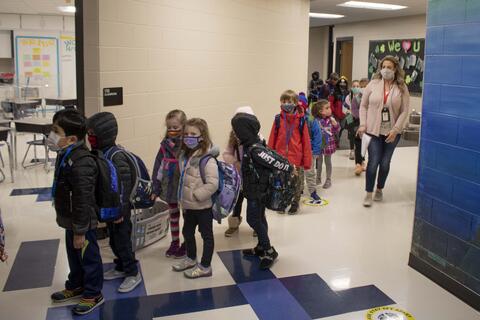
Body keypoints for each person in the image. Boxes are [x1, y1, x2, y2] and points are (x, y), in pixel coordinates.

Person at [48, 109, 103, 315]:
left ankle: (93, 293)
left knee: (88, 256)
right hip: (72, 218)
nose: (51, 135)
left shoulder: (82, 162)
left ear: (71, 139)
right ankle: (77, 283)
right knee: (74, 254)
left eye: (56, 131)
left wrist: (80, 230)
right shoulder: (67, 153)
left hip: (82, 221)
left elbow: (82, 199)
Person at [86, 112, 142, 293]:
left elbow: (123, 189)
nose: (89, 137)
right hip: (111, 210)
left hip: (120, 211)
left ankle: (133, 272)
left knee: (123, 242)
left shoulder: (116, 156)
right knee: (114, 242)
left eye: (93, 133)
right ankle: (120, 266)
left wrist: (119, 211)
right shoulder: (102, 153)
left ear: (104, 134)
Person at [231, 112, 292, 269]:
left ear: (244, 132)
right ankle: (260, 247)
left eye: (237, 131)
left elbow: (279, 163)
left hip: (258, 192)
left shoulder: (256, 150)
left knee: (253, 220)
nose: (235, 134)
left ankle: (269, 250)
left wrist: (291, 168)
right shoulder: (250, 146)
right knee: (259, 218)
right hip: (252, 190)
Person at [358, 55, 409, 207]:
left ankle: (379, 189)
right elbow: (363, 106)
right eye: (383, 67)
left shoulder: (402, 87)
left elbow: (404, 111)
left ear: (395, 70)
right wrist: (362, 124)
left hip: (392, 132)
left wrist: (396, 129)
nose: (386, 70)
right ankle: (368, 193)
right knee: (373, 162)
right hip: (373, 131)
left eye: (389, 67)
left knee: (385, 163)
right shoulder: (372, 84)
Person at [173, 118, 219, 279]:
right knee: (187, 232)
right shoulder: (185, 156)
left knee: (207, 236)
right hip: (188, 206)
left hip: (203, 206)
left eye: (193, 134)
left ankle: (205, 266)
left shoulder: (208, 159)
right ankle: (191, 258)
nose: (188, 137)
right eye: (186, 134)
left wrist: (196, 195)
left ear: (202, 136)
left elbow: (213, 184)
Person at [267, 90, 312, 214]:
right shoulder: (278, 119)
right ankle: (282, 201)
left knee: (296, 182)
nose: (286, 104)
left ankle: (295, 202)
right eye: (284, 101)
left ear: (296, 103)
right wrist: (269, 158)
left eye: (290, 102)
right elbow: (272, 139)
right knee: (280, 181)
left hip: (296, 158)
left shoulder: (301, 120)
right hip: (280, 158)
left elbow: (306, 142)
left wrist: (307, 161)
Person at [151, 110, 187, 258]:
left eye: (175, 127)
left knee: (188, 216)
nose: (172, 131)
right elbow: (157, 167)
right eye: (169, 128)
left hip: (184, 186)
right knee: (173, 215)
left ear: (184, 126)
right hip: (169, 185)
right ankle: (174, 242)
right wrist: (156, 187)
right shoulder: (164, 146)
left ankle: (187, 243)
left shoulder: (188, 144)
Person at [223, 106, 258, 237]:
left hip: (254, 178)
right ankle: (234, 223)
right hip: (239, 178)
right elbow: (226, 154)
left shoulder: (258, 138)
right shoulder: (234, 138)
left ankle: (257, 225)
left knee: (255, 204)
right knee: (237, 201)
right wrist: (236, 163)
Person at [299, 93, 323, 201]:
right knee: (298, 172)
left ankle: (312, 191)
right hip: (297, 151)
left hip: (310, 151)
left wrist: (316, 151)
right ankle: (299, 189)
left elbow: (318, 136)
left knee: (309, 172)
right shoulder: (294, 119)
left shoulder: (311, 120)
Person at [311, 99, 340, 188]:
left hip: (329, 144)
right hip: (319, 144)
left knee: (328, 162)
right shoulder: (316, 121)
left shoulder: (331, 119)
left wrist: (335, 124)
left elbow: (336, 130)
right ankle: (318, 178)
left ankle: (328, 179)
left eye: (329, 107)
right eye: (327, 108)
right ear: (321, 111)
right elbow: (313, 132)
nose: (330, 109)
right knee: (319, 162)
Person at [344, 80, 365, 174]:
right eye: (354, 86)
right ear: (352, 87)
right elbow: (344, 108)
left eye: (358, 86)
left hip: (359, 119)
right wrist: (348, 112)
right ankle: (352, 149)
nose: (356, 87)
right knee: (351, 133)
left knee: (359, 137)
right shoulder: (348, 97)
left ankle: (362, 160)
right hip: (350, 117)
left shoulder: (362, 96)